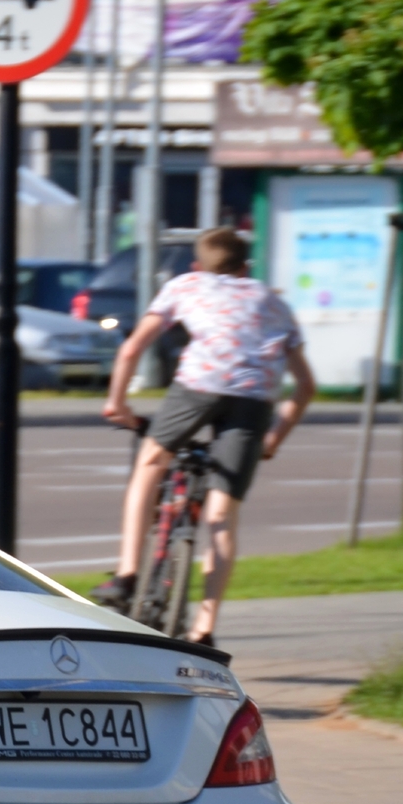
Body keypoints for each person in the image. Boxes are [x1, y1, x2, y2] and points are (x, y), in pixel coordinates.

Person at [94, 226, 314, 645]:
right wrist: (273, 440)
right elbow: (305, 387)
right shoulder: (274, 301)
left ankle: (126, 575)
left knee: (150, 462)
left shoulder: (186, 284)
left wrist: (117, 403)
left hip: (200, 384)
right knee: (221, 516)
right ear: (247, 266)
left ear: (199, 265)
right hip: (253, 399)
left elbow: (131, 348)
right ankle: (205, 629)